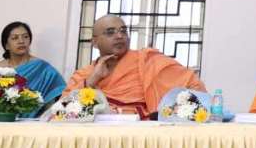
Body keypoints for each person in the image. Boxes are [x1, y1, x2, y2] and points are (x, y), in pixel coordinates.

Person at [64, 14, 207, 118]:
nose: (119, 36)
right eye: (110, 32)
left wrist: (170, 114)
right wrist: (91, 80)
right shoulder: (83, 75)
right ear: (94, 42)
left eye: (123, 31)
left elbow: (195, 88)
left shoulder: (148, 61)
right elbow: (62, 113)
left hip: (143, 136)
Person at [0, 20, 65, 112]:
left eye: (25, 37)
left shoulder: (44, 69)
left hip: (35, 120)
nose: (21, 41)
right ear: (6, 45)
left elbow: (57, 102)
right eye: (15, 38)